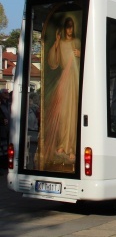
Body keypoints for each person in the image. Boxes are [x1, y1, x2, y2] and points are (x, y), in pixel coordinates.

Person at [43, 16, 81, 166]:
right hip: (64, 81)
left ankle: (71, 147)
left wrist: (81, 54)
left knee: (73, 114)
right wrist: (57, 43)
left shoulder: (77, 43)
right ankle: (61, 145)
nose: (70, 29)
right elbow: (53, 62)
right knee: (63, 113)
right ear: (65, 28)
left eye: (71, 26)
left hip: (75, 80)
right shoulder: (62, 43)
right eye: (67, 26)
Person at [0, 89, 10, 170]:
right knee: (2, 149)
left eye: (7, 92)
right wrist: (2, 120)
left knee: (7, 148)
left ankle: (5, 165)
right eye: (5, 93)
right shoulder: (1, 104)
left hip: (8, 129)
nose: (7, 94)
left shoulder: (9, 103)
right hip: (2, 129)